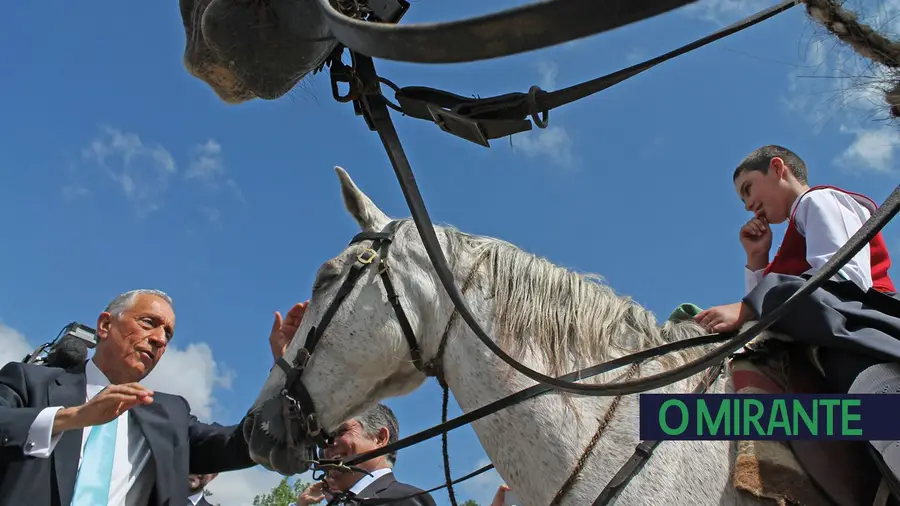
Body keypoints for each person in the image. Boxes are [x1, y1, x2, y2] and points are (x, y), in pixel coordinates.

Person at [693, 145, 900, 493]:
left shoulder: (819, 201)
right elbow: (776, 315)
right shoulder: (793, 233)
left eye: (748, 189)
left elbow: (843, 280)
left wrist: (747, 307)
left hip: (864, 341)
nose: (747, 205)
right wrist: (757, 260)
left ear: (778, 168)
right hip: (830, 344)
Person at [0, 288, 308, 506]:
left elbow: (242, 444)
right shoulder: (30, 381)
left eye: (168, 334)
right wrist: (73, 417)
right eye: (149, 322)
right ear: (105, 325)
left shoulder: (169, 414)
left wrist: (285, 367)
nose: (160, 339)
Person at [290, 404, 436, 506]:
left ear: (380, 438)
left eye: (341, 432)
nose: (328, 445)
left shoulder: (406, 499)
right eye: (326, 438)